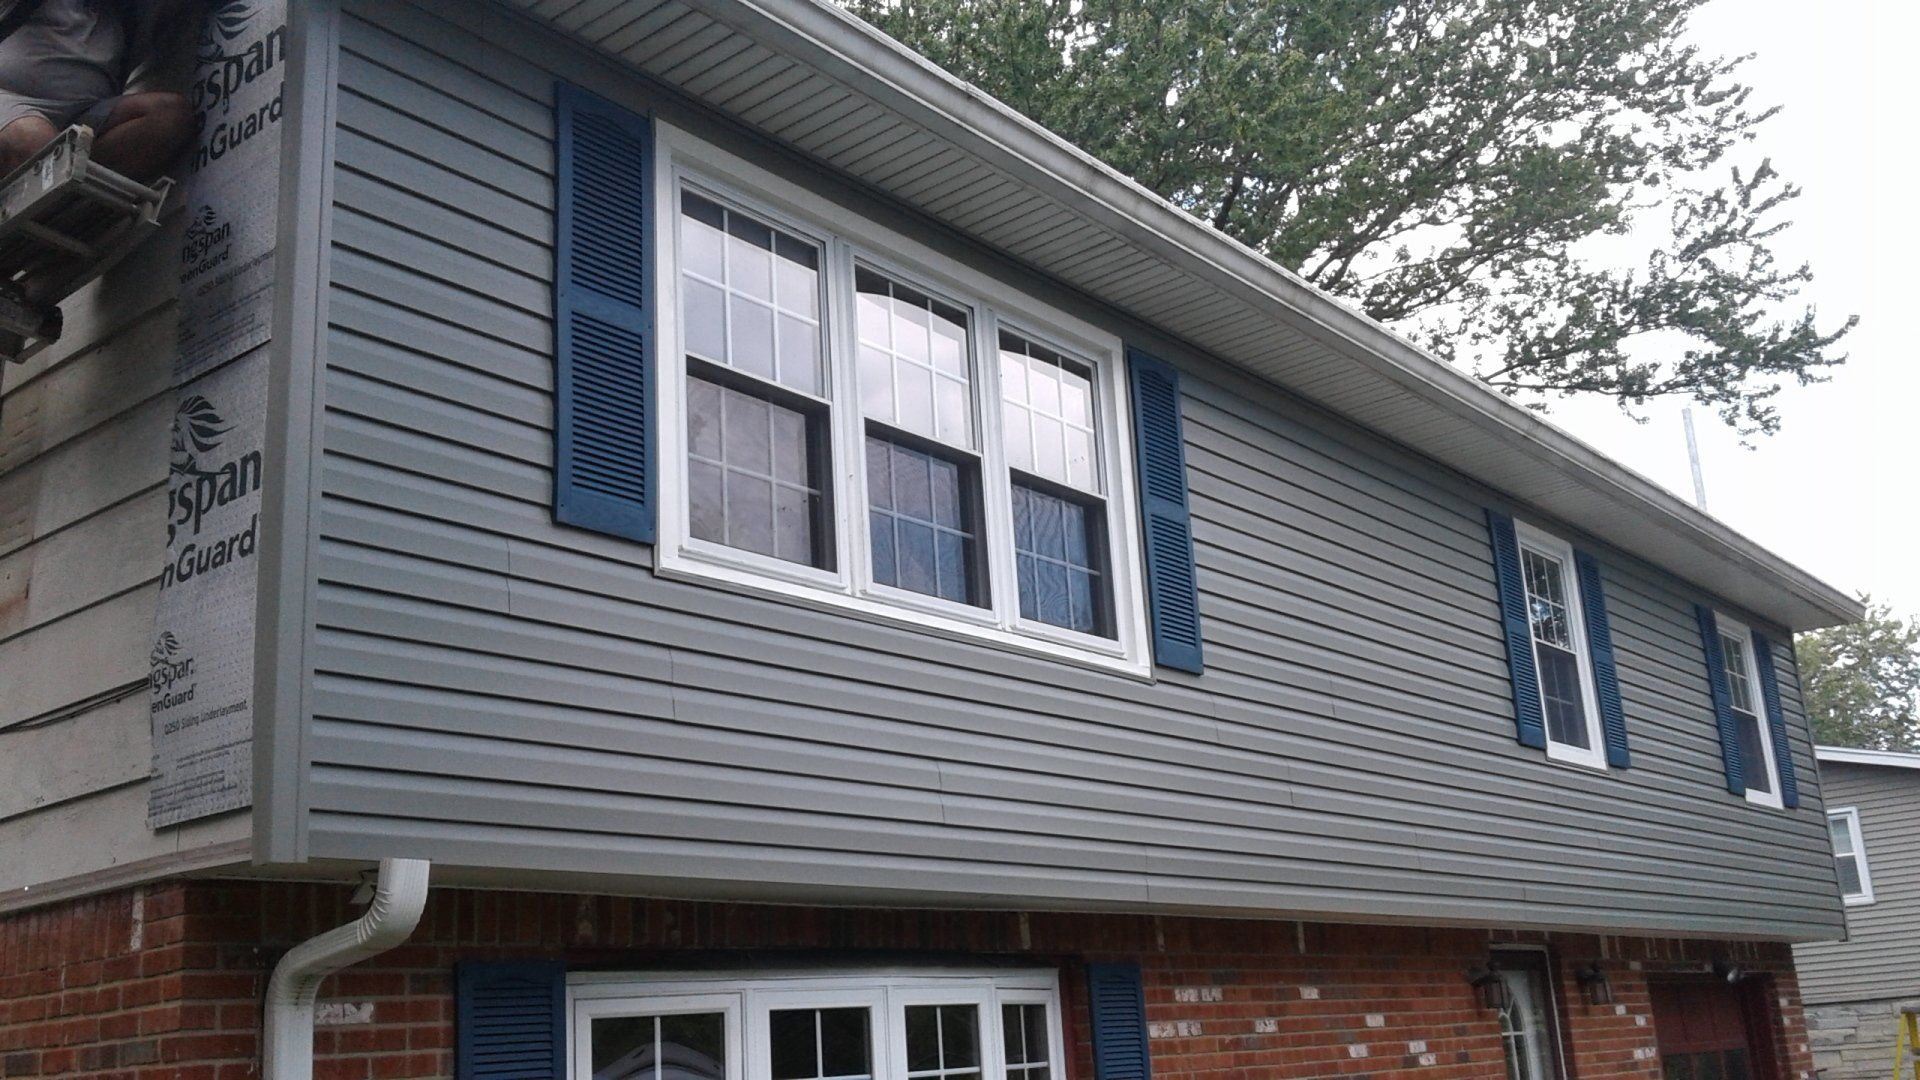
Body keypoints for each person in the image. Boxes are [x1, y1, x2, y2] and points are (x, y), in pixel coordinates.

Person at [0, 0, 194, 183]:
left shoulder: (124, 11)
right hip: (13, 101)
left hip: (90, 113)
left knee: (167, 115)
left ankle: (71, 189)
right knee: (37, 145)